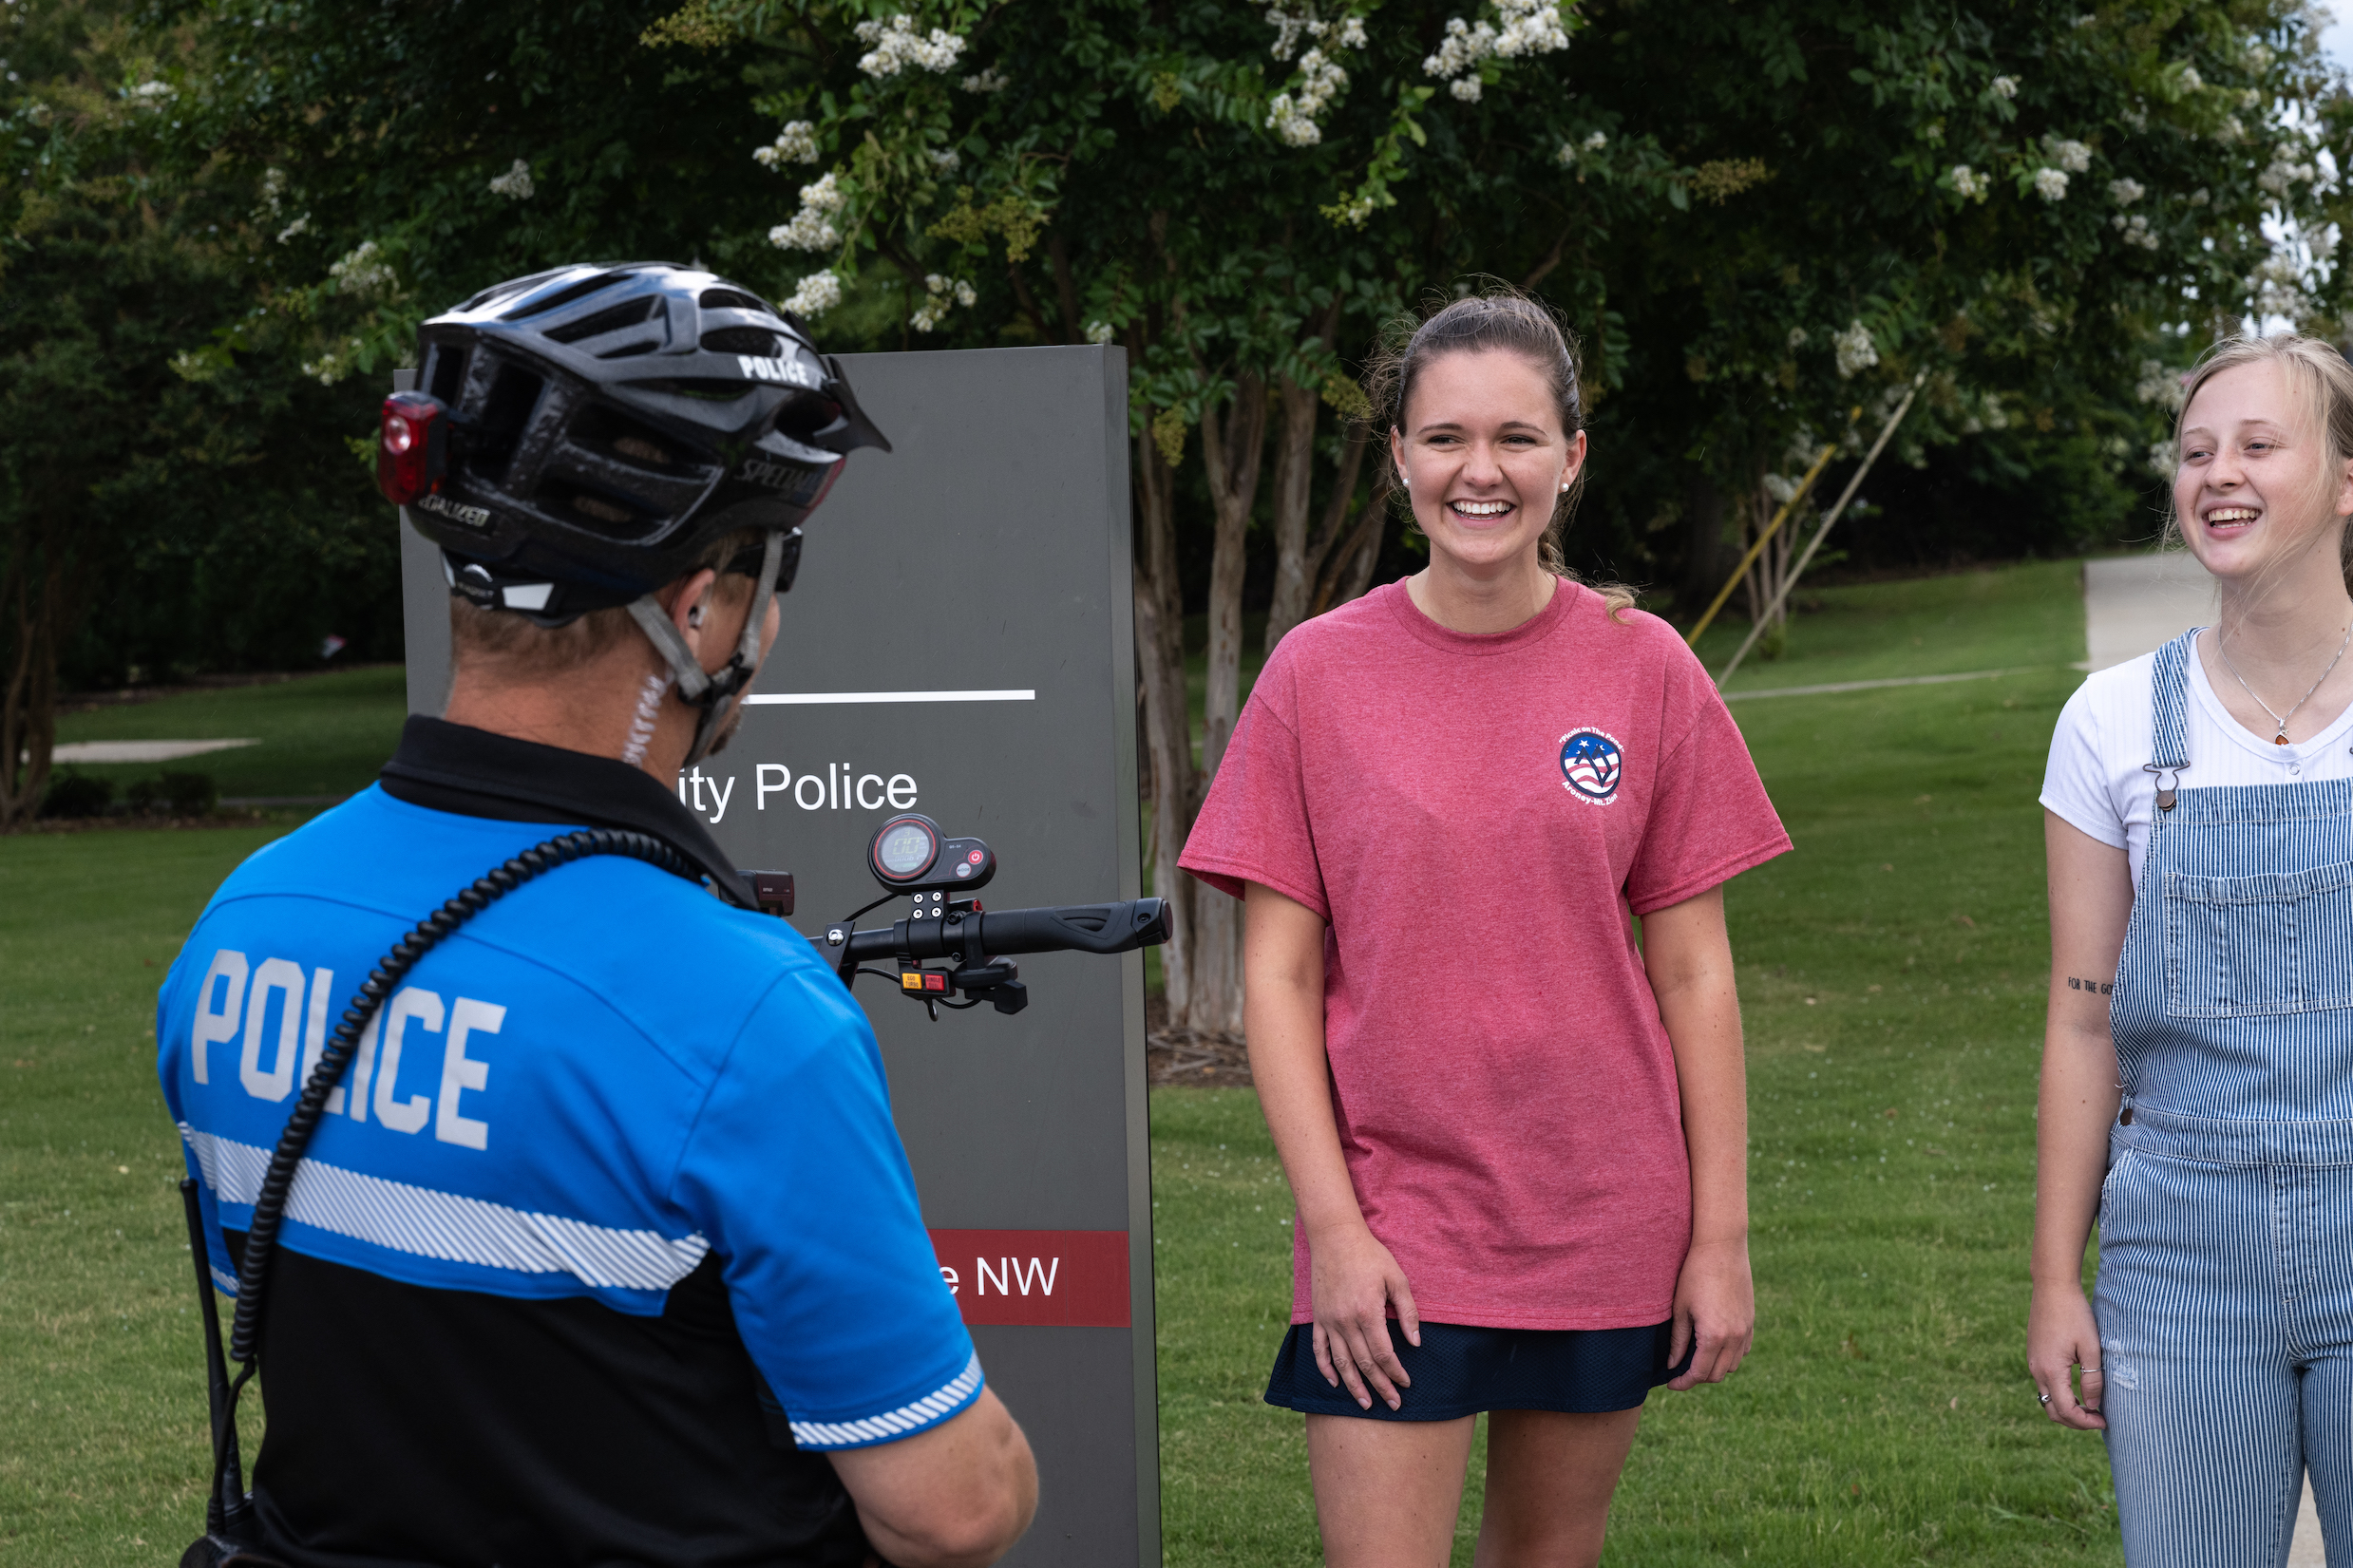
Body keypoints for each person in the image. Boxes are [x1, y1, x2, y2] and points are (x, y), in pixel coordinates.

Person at [157, 263, 1036, 1568]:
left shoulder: (244, 923)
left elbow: (290, 1316)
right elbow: (949, 1513)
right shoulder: (737, 1009)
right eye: (767, 578)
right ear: (699, 608)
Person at [1177, 290, 1791, 1568]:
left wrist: (1717, 1243)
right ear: (1398, 455)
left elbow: (1694, 974)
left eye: (1516, 438)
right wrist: (1334, 1233)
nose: (1479, 471)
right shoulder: (1315, 676)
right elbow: (1277, 978)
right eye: (1444, 437)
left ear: (1570, 458)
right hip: (1392, 1221)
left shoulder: (1645, 668)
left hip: (1601, 1213)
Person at [2032, 332, 2353, 1565]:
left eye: (2258, 445)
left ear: (2340, 480)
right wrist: (2054, 1276)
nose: (2216, 471)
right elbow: (2077, 1015)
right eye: (2194, 448)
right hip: (2177, 1253)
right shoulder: (2110, 722)